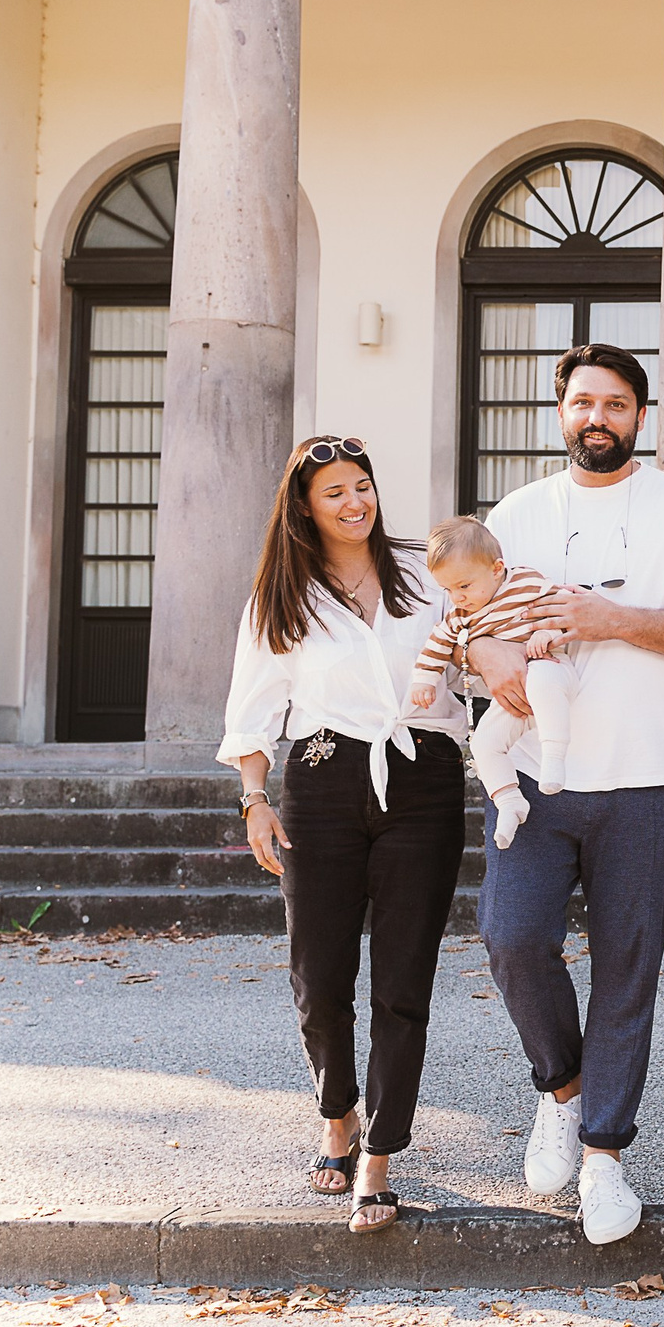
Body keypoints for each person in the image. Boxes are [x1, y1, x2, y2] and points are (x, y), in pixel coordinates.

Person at [468, 343, 664, 1245]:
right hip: (536, 777)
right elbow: (462, 619)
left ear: (639, 414)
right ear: (560, 411)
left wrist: (611, 618)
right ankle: (563, 1091)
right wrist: (490, 653)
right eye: (585, 401)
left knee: (629, 970)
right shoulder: (516, 514)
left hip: (650, 776)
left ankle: (604, 1158)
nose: (600, 417)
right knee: (513, 938)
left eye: (617, 404)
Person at [220, 435, 470, 1236]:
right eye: (335, 492)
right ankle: (338, 1110)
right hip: (323, 780)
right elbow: (253, 710)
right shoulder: (280, 596)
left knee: (403, 978)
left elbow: (481, 639)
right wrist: (255, 798)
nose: (354, 502)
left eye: (361, 485)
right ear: (305, 505)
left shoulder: (423, 570)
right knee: (318, 974)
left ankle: (380, 1155)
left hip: (423, 775)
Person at [407, 516, 575, 849]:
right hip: (512, 697)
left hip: (550, 668)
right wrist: (424, 679)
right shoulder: (461, 616)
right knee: (484, 743)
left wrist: (548, 633)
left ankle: (554, 757)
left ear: (497, 568)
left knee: (542, 678)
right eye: (449, 589)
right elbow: (436, 645)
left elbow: (563, 605)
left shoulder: (525, 583)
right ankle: (509, 801)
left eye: (464, 586)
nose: (457, 597)